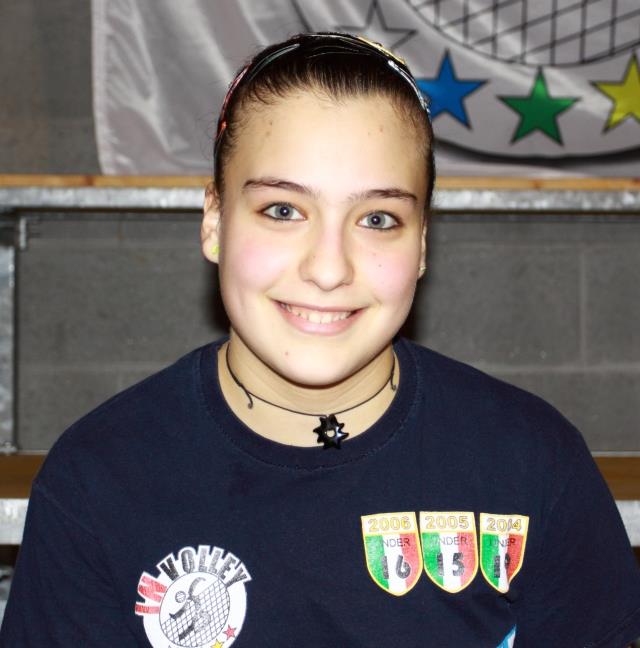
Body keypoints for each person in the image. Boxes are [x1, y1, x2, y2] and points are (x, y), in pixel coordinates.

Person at [1, 32, 639, 648]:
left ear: (421, 244)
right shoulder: (97, 480)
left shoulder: (532, 463)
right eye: (283, 210)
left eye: (378, 218)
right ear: (215, 221)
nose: (329, 269)